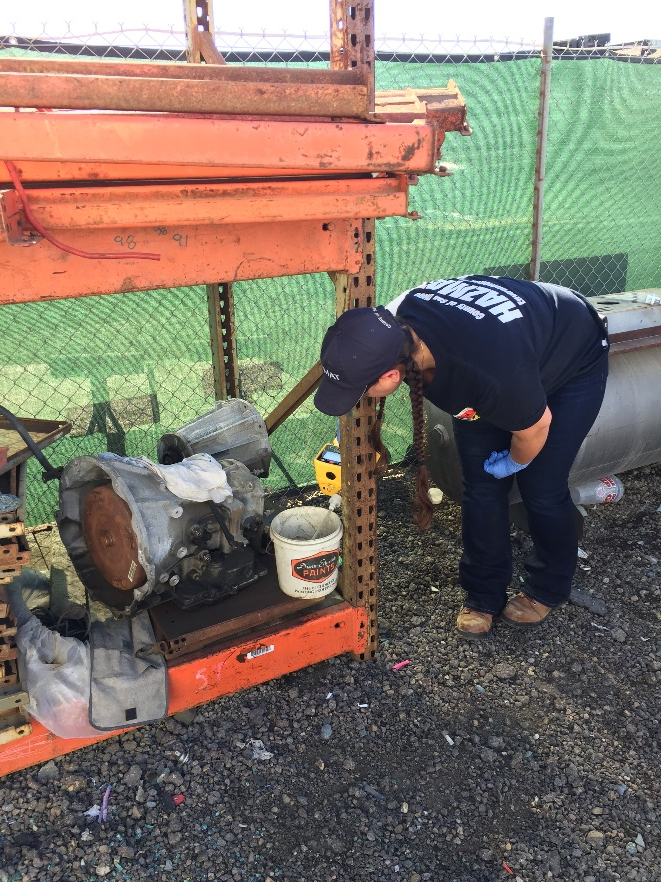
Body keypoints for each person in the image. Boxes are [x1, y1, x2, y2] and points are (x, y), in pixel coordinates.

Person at [314, 276, 609, 639]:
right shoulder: (393, 321)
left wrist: (514, 462)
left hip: (572, 351)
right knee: (481, 487)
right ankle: (483, 594)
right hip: (509, 348)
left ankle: (548, 586)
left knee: (541, 486)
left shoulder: (490, 369)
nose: (359, 398)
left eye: (360, 390)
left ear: (391, 375)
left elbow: (535, 428)